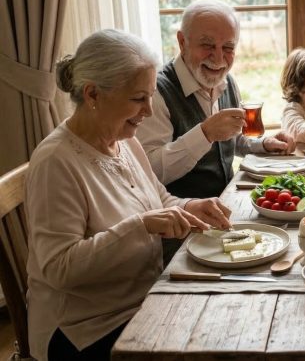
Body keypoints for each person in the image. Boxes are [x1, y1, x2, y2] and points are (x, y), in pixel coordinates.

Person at [26, 29, 232, 361]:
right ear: (93, 94)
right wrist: (142, 226)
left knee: (225, 316)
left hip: (144, 298)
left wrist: (192, 206)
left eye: (150, 96)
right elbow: (59, 268)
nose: (148, 111)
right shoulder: (56, 162)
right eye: (138, 98)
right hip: (86, 328)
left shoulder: (124, 140)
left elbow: (158, 200)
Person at [137, 0, 296, 200]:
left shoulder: (227, 81)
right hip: (184, 221)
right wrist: (205, 134)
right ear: (182, 42)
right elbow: (150, 172)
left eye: (228, 47)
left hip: (228, 203)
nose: (219, 58)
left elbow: (233, 140)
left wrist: (265, 144)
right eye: (207, 45)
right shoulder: (157, 92)